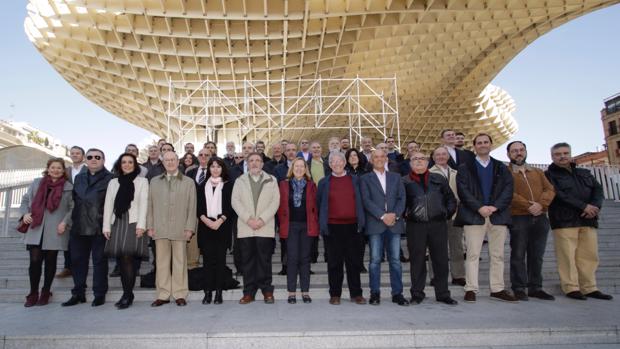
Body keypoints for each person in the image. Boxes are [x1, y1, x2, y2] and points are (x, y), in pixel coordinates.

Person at [545, 142, 612, 301]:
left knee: (589, 255)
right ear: (552, 156)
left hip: (588, 220)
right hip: (564, 220)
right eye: (558, 154)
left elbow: (598, 190)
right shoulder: (548, 175)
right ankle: (571, 287)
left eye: (565, 153)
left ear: (570, 154)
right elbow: (558, 194)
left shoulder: (584, 173)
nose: (562, 156)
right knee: (567, 256)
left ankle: (589, 287)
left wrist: (595, 206)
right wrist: (583, 206)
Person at [455, 133, 517, 303]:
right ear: (474, 146)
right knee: (473, 254)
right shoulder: (465, 167)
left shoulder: (501, 167)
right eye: (479, 143)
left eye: (486, 142)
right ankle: (471, 288)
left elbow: (508, 189)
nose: (483, 145)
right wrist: (479, 207)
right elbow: (463, 190)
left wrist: (495, 207)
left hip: (498, 215)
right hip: (474, 215)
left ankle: (497, 288)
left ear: (490, 145)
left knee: (497, 255)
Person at [403, 152, 458, 305]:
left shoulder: (439, 179)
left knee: (440, 260)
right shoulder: (404, 181)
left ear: (428, 162)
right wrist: (406, 214)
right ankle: (417, 294)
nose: (419, 161)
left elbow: (451, 199)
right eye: (415, 159)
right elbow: (400, 202)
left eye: (422, 158)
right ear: (410, 163)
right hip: (415, 226)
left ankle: (443, 294)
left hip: (438, 224)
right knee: (417, 261)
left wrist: (445, 214)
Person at [505, 141, 556, 301]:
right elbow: (508, 193)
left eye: (521, 150)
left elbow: (549, 189)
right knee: (518, 253)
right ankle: (519, 287)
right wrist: (528, 205)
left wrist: (542, 204)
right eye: (514, 151)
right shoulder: (505, 173)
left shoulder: (537, 172)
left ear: (526, 152)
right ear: (508, 154)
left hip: (540, 217)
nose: (518, 153)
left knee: (537, 254)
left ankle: (535, 287)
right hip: (518, 216)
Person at [62, 148, 113, 307]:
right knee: (77, 261)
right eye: (90, 157)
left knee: (99, 262)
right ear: (86, 160)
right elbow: (74, 201)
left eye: (98, 157)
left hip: (99, 227)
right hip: (78, 226)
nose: (93, 159)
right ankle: (78, 293)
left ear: (103, 160)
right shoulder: (79, 178)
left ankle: (99, 294)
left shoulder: (111, 178)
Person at [20, 158, 74, 307]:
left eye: (59, 168)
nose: (56, 170)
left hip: (55, 229)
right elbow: (25, 200)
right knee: (35, 261)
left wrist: (65, 222)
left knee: (50, 262)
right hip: (36, 227)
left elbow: (72, 207)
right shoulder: (37, 183)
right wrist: (25, 214)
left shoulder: (68, 187)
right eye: (53, 167)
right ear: (48, 169)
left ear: (63, 171)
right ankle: (32, 293)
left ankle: (45, 292)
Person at [147, 151, 197, 307]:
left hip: (180, 228)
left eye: (173, 160)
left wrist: (190, 227)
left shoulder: (188, 182)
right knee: (161, 262)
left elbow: (192, 207)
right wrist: (150, 226)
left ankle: (180, 293)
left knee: (180, 262)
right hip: (160, 228)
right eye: (167, 160)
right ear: (163, 162)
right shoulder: (154, 181)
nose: (170, 162)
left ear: (178, 161)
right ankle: (163, 294)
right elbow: (150, 205)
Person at [317, 152, 367, 305]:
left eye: (339, 161)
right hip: (332, 228)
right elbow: (320, 204)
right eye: (333, 161)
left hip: (353, 227)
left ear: (345, 162)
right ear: (330, 164)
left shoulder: (356, 180)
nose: (336, 164)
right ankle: (335, 294)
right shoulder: (324, 182)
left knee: (354, 262)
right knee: (334, 262)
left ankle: (356, 294)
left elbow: (362, 200)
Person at [360, 149, 408, 306]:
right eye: (376, 157)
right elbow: (366, 201)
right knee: (374, 261)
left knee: (395, 260)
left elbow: (402, 198)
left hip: (394, 223)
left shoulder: (396, 177)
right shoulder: (365, 178)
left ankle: (397, 293)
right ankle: (375, 293)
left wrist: (395, 215)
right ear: (371, 160)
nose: (379, 159)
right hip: (376, 224)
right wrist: (383, 216)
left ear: (386, 159)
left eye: (382, 156)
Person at [102, 153, 149, 309]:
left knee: (128, 258)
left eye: (130, 162)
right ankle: (126, 292)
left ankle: (128, 295)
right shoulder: (113, 182)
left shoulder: (142, 181)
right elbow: (108, 205)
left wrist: (142, 225)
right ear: (119, 165)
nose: (127, 164)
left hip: (134, 222)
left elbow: (144, 204)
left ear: (135, 164)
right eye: (124, 162)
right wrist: (106, 226)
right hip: (117, 221)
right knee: (121, 260)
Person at [231, 153, 280, 304]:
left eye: (258, 160)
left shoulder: (271, 180)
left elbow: (275, 202)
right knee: (248, 261)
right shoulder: (240, 181)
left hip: (264, 227)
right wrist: (249, 219)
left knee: (264, 260)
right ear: (247, 163)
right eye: (251, 161)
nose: (254, 163)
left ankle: (266, 291)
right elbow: (235, 201)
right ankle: (249, 292)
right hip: (246, 227)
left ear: (262, 164)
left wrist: (261, 220)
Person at [277, 158, 319, 304]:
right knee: (292, 259)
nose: (299, 169)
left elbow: (316, 207)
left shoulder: (312, 185)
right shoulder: (283, 185)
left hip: (307, 226)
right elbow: (279, 206)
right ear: (292, 168)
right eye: (297, 166)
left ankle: (305, 292)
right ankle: (292, 292)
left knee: (305, 259)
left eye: (302, 166)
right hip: (290, 226)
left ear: (306, 169)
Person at [196, 157, 235, 305]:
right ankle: (207, 292)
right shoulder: (201, 186)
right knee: (207, 262)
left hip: (222, 227)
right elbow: (198, 208)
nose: (215, 169)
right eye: (212, 166)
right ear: (209, 169)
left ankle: (218, 292)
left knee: (220, 262)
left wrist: (220, 220)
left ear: (222, 169)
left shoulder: (228, 185)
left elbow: (230, 207)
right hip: (206, 228)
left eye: (218, 166)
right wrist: (207, 221)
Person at [429, 146, 465, 286]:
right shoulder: (429, 173)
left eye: (444, 154)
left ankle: (458, 275)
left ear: (448, 156)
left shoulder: (456, 173)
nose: (441, 157)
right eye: (438, 154)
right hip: (437, 215)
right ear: (433, 157)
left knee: (457, 247)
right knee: (436, 248)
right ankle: (436, 276)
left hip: (455, 215)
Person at [57, 145, 85, 278]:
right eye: (72, 153)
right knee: (68, 239)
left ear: (83, 156)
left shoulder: (89, 169)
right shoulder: (65, 171)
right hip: (69, 207)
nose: (74, 155)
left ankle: (80, 265)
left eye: (77, 153)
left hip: (85, 207)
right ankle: (68, 267)